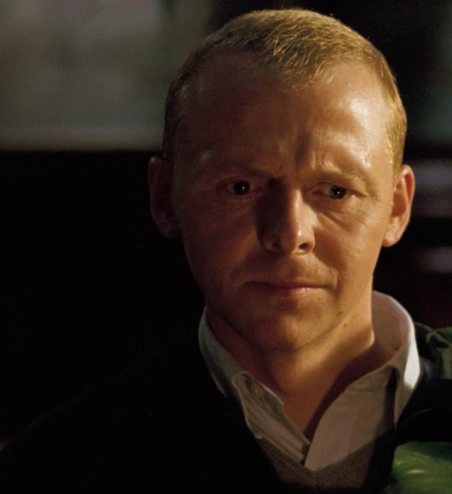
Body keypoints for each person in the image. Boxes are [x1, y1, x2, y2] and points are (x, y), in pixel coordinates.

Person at [0, 9, 418, 493]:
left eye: (336, 192)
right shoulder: (55, 468)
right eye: (240, 188)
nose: (288, 234)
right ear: (165, 198)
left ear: (396, 207)